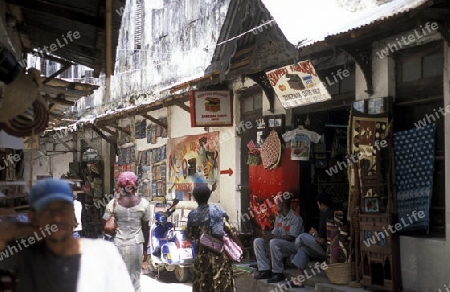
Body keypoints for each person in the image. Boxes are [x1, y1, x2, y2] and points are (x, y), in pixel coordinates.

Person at [0, 178, 134, 292]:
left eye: (63, 209)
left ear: (72, 212)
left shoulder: (103, 252)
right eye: (48, 210)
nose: (57, 217)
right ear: (33, 217)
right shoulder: (27, 256)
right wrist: (30, 229)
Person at [103, 172, 150, 292]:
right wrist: (145, 249)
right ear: (135, 185)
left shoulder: (112, 203)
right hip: (136, 244)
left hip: (117, 244)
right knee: (134, 279)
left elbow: (103, 222)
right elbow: (145, 228)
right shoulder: (144, 204)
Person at [186, 184, 238, 292]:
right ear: (208, 196)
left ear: (195, 198)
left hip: (201, 260)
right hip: (220, 258)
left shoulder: (192, 215)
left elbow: (190, 237)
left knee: (203, 286)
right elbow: (231, 231)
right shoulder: (218, 211)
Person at [253, 194, 304, 283]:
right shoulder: (278, 218)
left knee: (274, 242)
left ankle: (278, 273)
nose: (276, 206)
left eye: (278, 204)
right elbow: (275, 233)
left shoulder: (296, 218)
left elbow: (291, 237)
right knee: (258, 241)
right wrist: (267, 236)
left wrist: (273, 237)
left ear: (283, 205)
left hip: (293, 246)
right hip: (279, 244)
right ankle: (265, 270)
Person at [288, 193, 335, 288]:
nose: (318, 207)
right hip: (325, 249)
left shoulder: (326, 214)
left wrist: (314, 234)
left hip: (325, 249)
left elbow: (320, 240)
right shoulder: (333, 212)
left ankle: (294, 254)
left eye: (318, 204)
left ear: (322, 204)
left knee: (301, 237)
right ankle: (298, 280)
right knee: (303, 250)